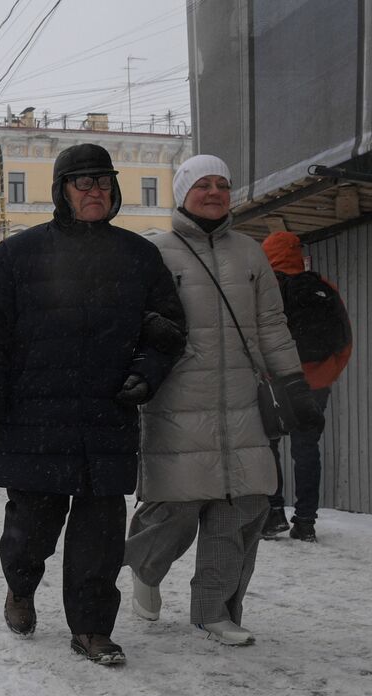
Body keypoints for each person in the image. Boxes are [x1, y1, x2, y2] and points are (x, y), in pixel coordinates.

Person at [0, 143, 187, 666]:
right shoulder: (20, 254)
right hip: (35, 418)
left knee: (101, 538)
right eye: (83, 182)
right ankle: (20, 588)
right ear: (62, 191)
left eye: (104, 182)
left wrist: (146, 375)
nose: (95, 191)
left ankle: (91, 629)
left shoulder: (138, 256)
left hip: (106, 419)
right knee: (30, 532)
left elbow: (169, 331)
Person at [124, 155, 323, 647]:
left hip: (241, 401)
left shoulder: (251, 255)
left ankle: (215, 610)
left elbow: (271, 324)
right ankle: (146, 569)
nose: (213, 192)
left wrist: (293, 382)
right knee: (174, 509)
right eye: (202, 185)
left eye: (221, 184)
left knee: (245, 505)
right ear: (182, 193)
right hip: (176, 402)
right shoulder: (155, 252)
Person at [259, 231, 353, 543]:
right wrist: (325, 374)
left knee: (269, 446)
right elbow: (345, 339)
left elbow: (255, 337)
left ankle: (273, 514)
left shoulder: (266, 289)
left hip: (276, 382)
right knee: (306, 449)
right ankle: (306, 521)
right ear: (297, 253)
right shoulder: (324, 287)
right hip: (315, 384)